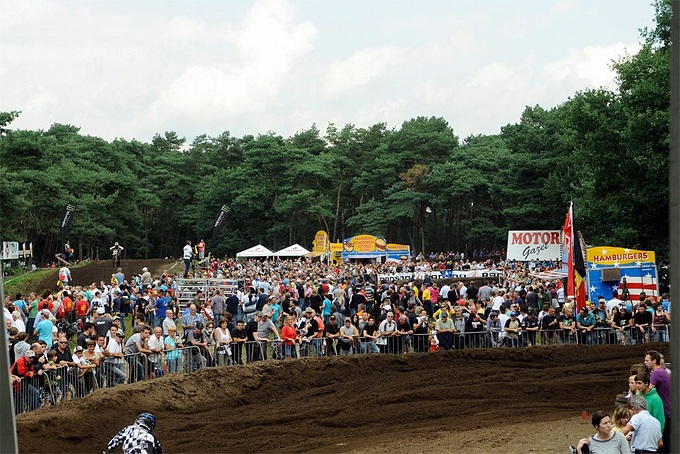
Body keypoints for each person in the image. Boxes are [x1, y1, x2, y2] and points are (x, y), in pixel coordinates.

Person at [644, 350, 671, 453]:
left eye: (647, 360)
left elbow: (647, 390)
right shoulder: (664, 371)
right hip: (668, 409)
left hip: (663, 411)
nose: (645, 362)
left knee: (661, 443)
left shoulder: (656, 373)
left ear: (654, 361)